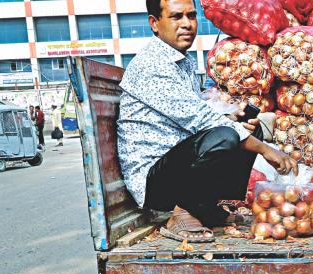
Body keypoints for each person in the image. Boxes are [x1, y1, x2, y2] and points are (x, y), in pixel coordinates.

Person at [118, 0, 295, 243]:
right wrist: (265, 150)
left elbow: (195, 115)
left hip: (175, 164)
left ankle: (205, 206)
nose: (187, 24)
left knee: (246, 126)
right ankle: (182, 212)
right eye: (176, 17)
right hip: (153, 185)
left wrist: (234, 119)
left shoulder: (182, 62)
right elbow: (201, 120)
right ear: (154, 23)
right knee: (228, 136)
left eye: (191, 16)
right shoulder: (152, 65)